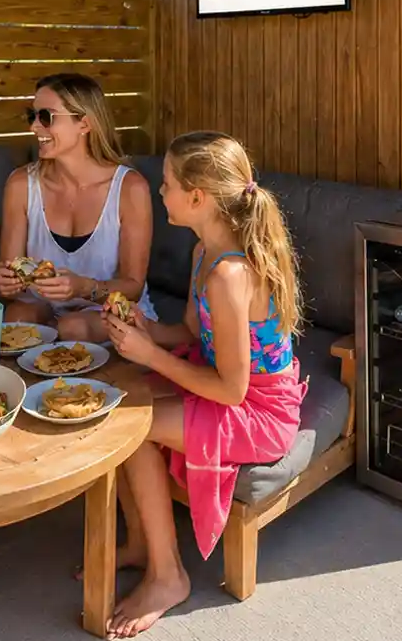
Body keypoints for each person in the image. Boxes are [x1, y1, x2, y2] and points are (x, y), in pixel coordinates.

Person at [101, 131, 306, 637]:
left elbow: (232, 391)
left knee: (134, 429)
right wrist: (144, 331)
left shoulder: (230, 275)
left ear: (198, 198)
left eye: (166, 183)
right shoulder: (203, 253)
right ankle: (143, 543)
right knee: (124, 395)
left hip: (260, 412)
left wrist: (149, 354)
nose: (160, 190)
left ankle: (168, 576)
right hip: (229, 387)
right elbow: (193, 333)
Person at [0, 73, 154, 341]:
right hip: (44, 310)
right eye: (31, 116)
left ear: (85, 123)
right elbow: (10, 284)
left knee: (72, 327)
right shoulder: (21, 184)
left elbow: (132, 287)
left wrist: (82, 288)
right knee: (16, 319)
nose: (34, 127)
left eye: (46, 117)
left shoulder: (130, 188)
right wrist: (4, 281)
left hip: (107, 312)